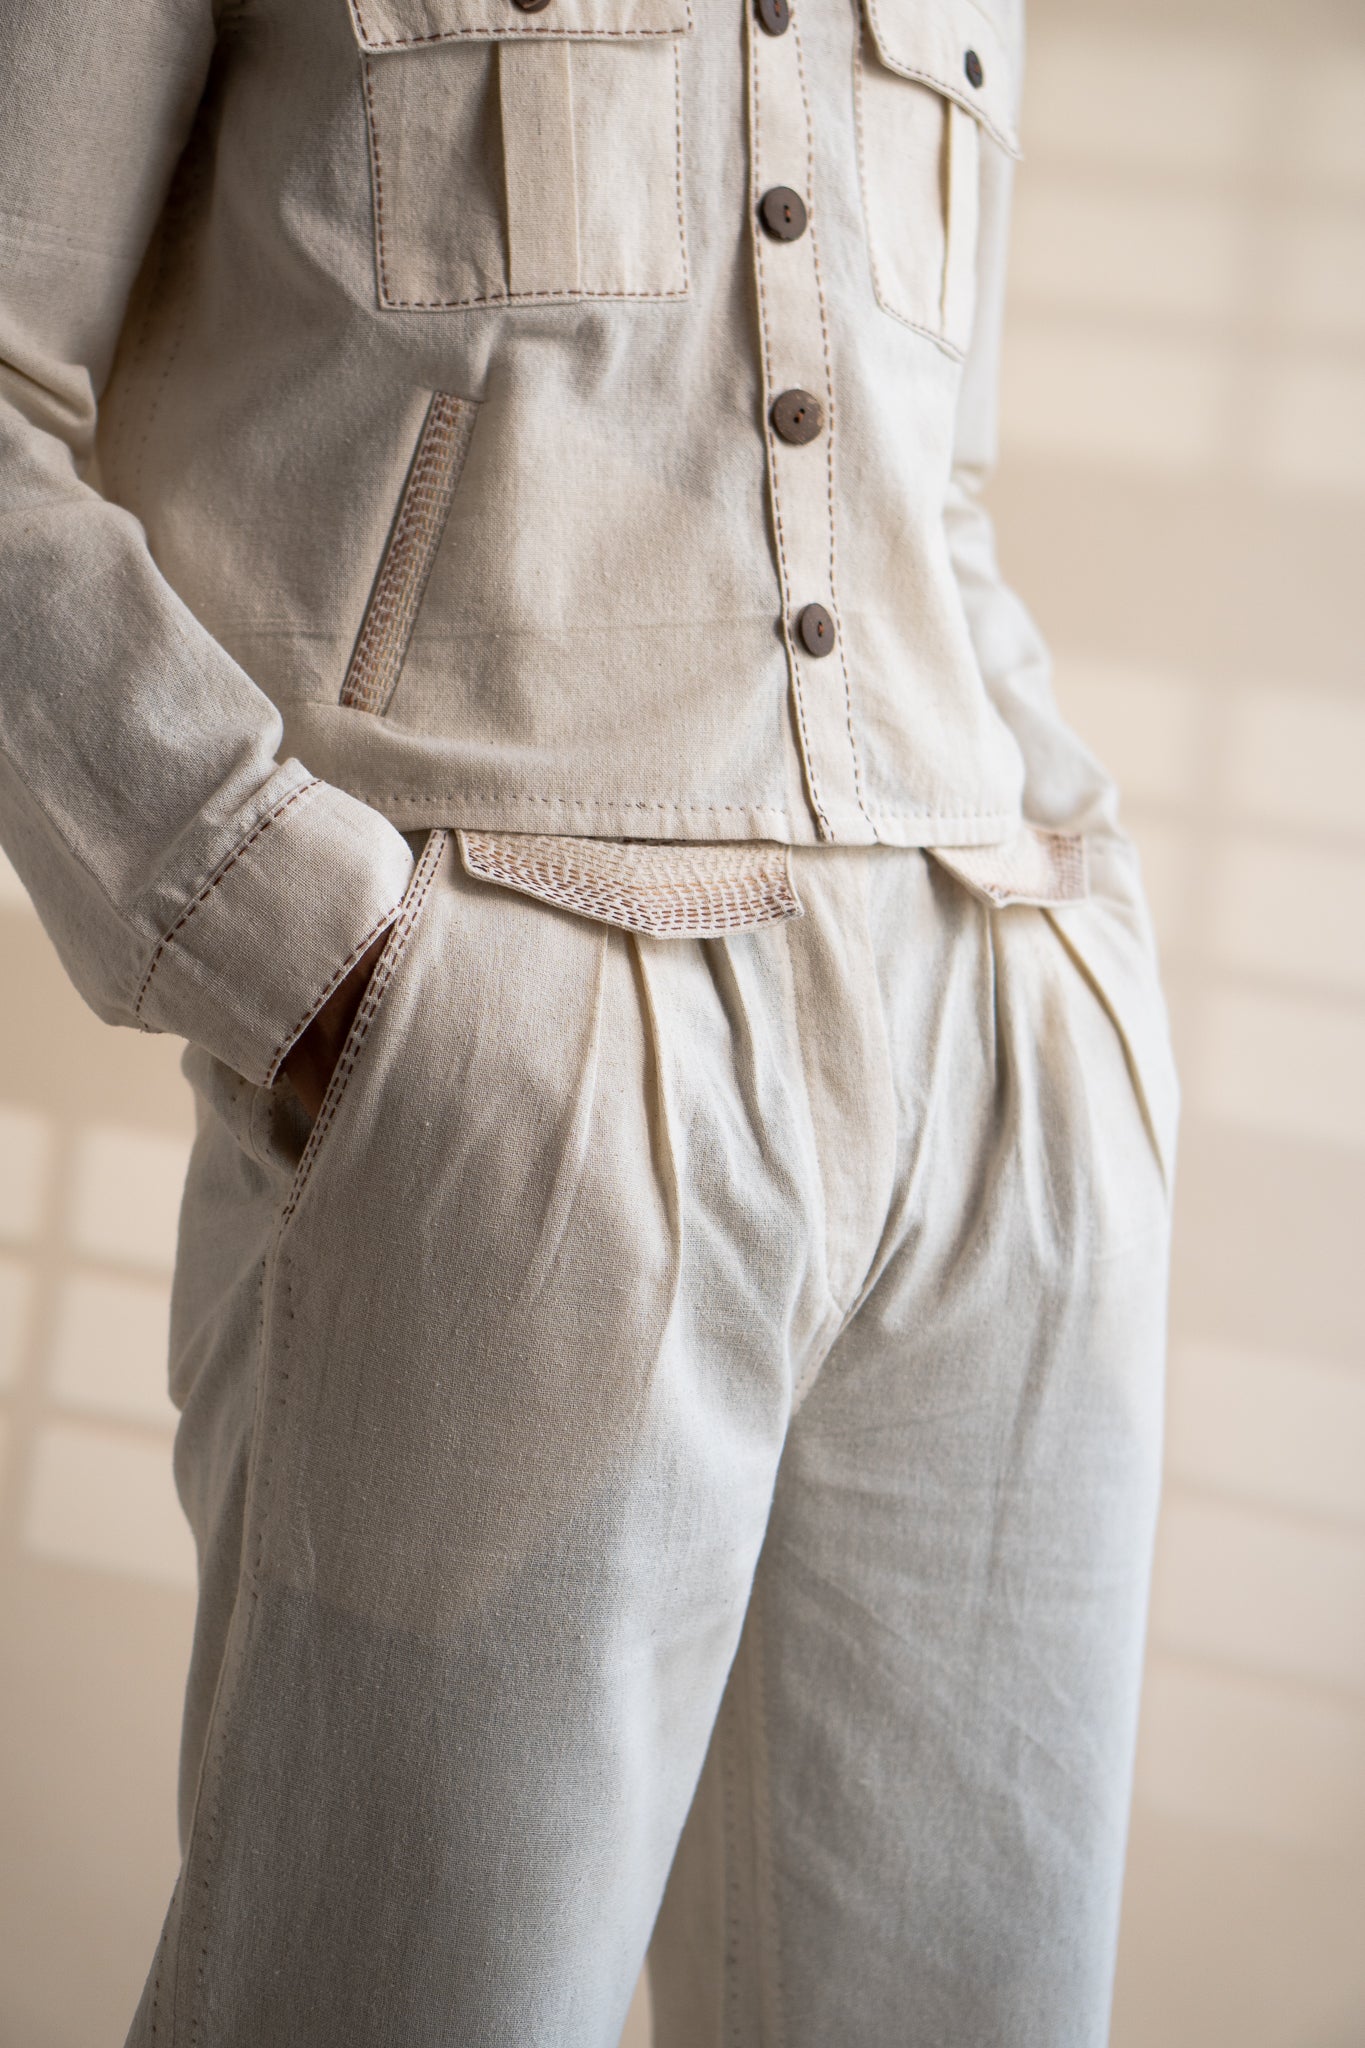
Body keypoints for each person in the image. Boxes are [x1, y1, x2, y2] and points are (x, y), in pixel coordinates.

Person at [0, 0, 1178, 2040]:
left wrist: (1079, 906)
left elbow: (930, 481)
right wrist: (304, 949)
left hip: (994, 1051)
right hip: (508, 1052)